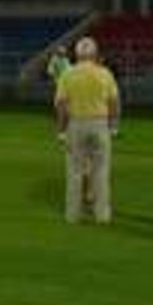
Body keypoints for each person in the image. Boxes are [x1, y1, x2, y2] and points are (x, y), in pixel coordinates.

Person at [54, 36, 121, 225]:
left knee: (74, 172)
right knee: (101, 171)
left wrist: (61, 130)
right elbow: (114, 102)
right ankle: (102, 214)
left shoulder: (67, 74)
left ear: (76, 55)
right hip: (100, 124)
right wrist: (114, 126)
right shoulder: (105, 73)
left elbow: (60, 105)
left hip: (76, 124)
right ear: (95, 54)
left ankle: (73, 215)